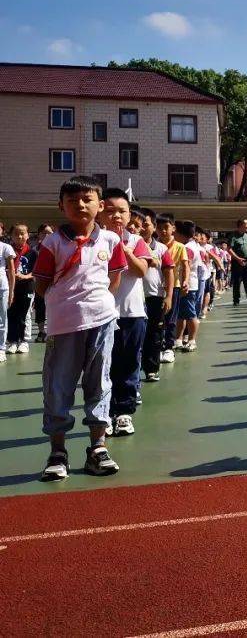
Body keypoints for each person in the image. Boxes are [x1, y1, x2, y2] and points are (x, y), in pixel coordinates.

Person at [33, 176, 127, 481]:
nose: (80, 205)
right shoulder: (52, 242)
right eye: (72, 201)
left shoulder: (111, 241)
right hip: (63, 326)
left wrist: (97, 303)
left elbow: (114, 279)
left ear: (100, 206)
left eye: (87, 199)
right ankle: (57, 452)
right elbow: (41, 284)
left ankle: (97, 448)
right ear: (62, 206)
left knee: (100, 383)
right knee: (58, 387)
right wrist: (65, 304)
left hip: (102, 321)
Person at [99, 188, 151, 436]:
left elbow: (141, 271)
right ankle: (104, 413)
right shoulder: (93, 240)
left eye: (122, 211)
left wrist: (125, 249)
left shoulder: (136, 241)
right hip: (100, 314)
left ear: (130, 216)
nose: (116, 216)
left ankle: (123, 413)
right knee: (102, 367)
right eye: (110, 211)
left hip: (131, 313)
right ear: (100, 211)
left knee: (129, 364)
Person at [138, 209, 174, 383]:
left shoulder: (161, 248)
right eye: (139, 224)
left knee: (154, 335)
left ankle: (151, 369)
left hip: (155, 297)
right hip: (134, 298)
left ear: (153, 227)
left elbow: (169, 273)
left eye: (146, 224)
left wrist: (168, 296)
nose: (143, 228)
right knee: (135, 336)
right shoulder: (127, 245)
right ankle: (133, 371)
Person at [155, 214, 187, 364]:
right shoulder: (153, 245)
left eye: (166, 227)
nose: (163, 231)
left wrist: (186, 281)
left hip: (174, 287)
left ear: (173, 228)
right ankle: (158, 347)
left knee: (171, 318)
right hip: (155, 287)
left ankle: (169, 347)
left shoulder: (180, 247)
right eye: (159, 228)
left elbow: (185, 266)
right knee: (157, 318)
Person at [5, 224, 35, 354]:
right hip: (10, 286)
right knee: (11, 314)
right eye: (16, 234)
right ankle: (12, 341)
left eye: (22, 233)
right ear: (11, 236)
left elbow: (37, 271)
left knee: (24, 314)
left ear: (28, 235)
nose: (20, 236)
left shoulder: (33, 252)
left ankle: (24, 341)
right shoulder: (7, 251)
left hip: (26, 286)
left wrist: (25, 276)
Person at [174, 220, 203, 352]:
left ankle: (192, 340)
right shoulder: (191, 245)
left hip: (188, 285)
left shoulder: (188, 248)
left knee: (191, 314)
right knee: (181, 314)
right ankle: (178, 339)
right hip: (186, 284)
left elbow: (186, 265)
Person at [227, 219, 247, 306]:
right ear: (241, 225)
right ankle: (236, 300)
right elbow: (229, 249)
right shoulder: (233, 236)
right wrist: (238, 259)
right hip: (236, 261)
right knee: (237, 281)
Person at [0, 233, 13, 363]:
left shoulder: (6, 247)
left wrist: (11, 290)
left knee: (2, 318)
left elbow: (12, 270)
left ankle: (1, 348)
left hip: (2, 287)